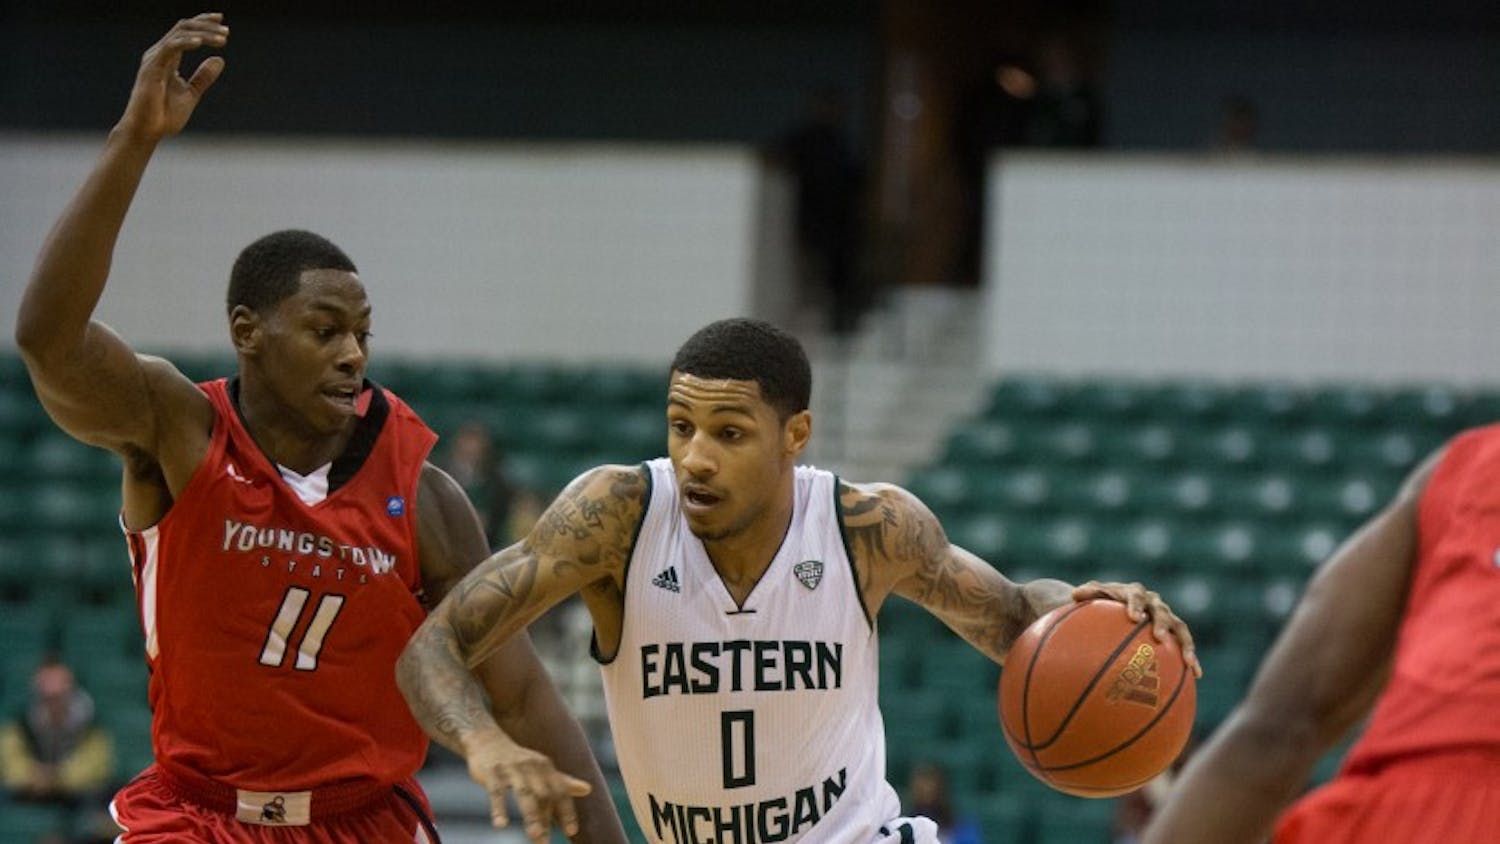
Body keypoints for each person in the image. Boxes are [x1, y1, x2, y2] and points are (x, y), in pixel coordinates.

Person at [13, 14, 623, 844]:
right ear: (247, 331)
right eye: (325, 329)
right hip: (198, 816)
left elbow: (518, 691)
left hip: (360, 821)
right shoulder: (179, 428)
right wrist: (134, 138)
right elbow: (48, 338)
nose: (351, 355)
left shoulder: (426, 497)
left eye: (362, 335)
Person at [396, 317, 1200, 843]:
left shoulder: (869, 529)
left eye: (729, 432)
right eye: (681, 427)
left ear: (795, 435)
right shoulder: (617, 518)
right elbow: (429, 651)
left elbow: (1020, 617)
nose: (696, 456)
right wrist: (486, 743)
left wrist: (1100, 609)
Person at [1142, 438, 1495, 843]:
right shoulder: (1462, 471)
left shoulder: (1465, 469)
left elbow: (1278, 729)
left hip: (1400, 815)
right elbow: (1279, 728)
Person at [0, 658, 115, 808]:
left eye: (58, 694)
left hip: (76, 799)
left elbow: (97, 764)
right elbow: (10, 761)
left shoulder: (92, 724)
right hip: (27, 793)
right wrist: (33, 776)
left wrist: (57, 778)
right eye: (47, 695)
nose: (53, 699)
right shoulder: (20, 721)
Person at [904, 763, 980, 844]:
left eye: (931, 784)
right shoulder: (904, 826)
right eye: (920, 787)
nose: (926, 790)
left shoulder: (963, 828)